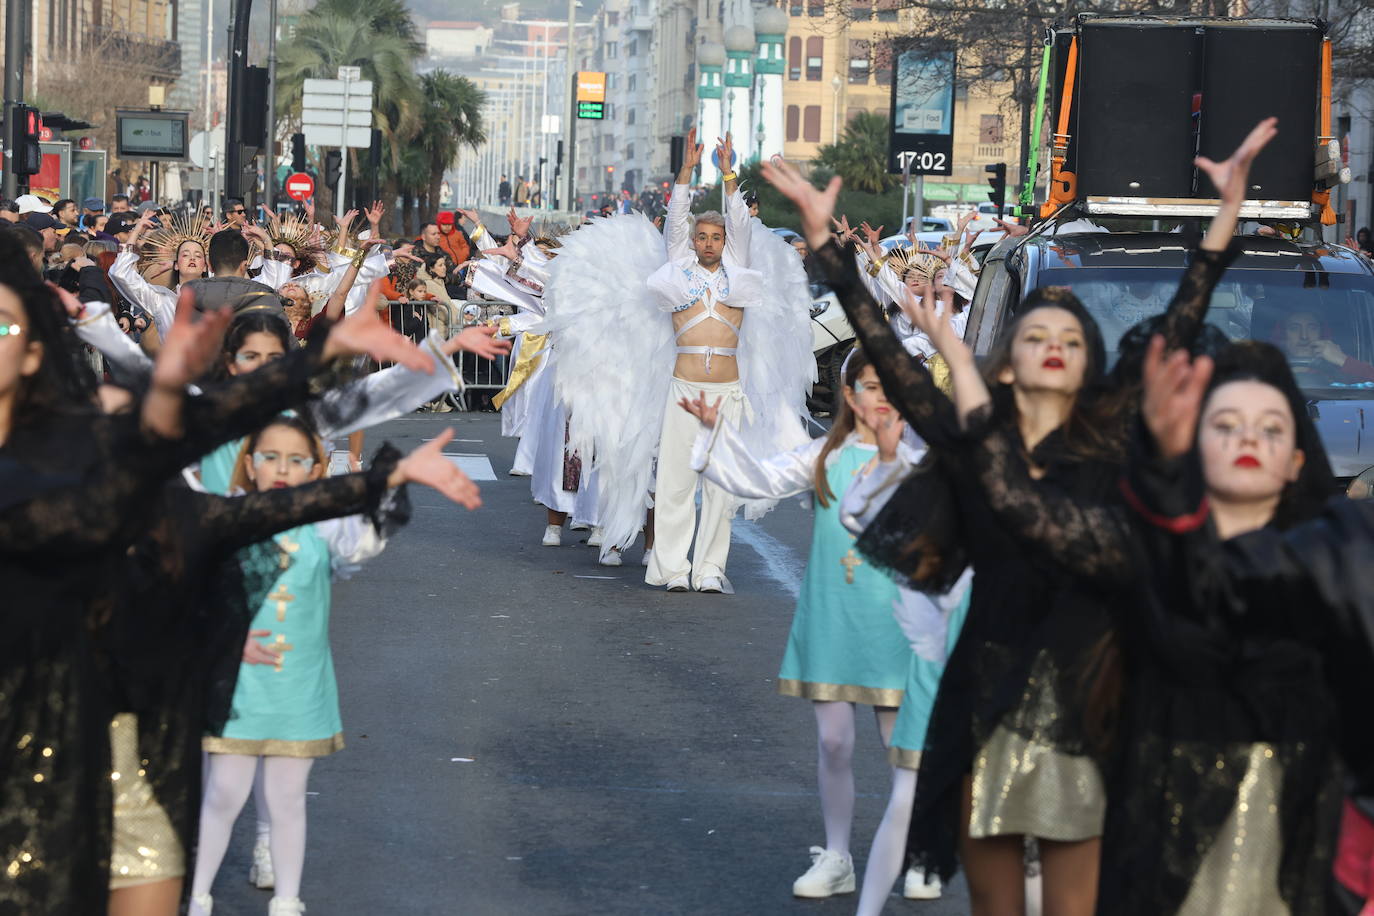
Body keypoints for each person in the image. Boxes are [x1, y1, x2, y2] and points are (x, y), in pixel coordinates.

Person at [760, 117, 1272, 916]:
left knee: (1070, 904)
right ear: (1012, 356)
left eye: (1072, 336)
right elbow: (890, 361)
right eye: (1039, 333)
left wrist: (1224, 221)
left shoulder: (1106, 441)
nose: (1057, 343)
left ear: (1091, 361)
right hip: (988, 693)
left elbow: (1181, 320)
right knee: (997, 904)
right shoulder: (972, 442)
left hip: (1090, 691)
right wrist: (832, 253)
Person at [682, 349, 927, 899]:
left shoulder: (920, 470)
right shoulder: (824, 456)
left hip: (896, 625)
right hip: (832, 620)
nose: (881, 397)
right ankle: (837, 855)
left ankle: (915, 850)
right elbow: (754, 480)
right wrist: (715, 429)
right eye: (870, 386)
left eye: (892, 387)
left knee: (901, 746)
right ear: (849, 395)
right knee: (835, 741)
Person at [543, 129, 814, 587]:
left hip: (727, 393)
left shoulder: (740, 271)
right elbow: (675, 220)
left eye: (716, 237)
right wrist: (686, 171)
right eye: (702, 237)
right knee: (673, 485)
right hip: (683, 390)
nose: (708, 243)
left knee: (722, 489)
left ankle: (710, 569)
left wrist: (729, 173)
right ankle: (672, 567)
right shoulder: (677, 271)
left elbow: (741, 224)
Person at [108, 211, 210, 337]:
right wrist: (135, 232)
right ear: (176, 264)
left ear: (206, 266)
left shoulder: (217, 297)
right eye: (185, 254)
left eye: (198, 255)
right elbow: (121, 273)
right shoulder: (162, 299)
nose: (192, 258)